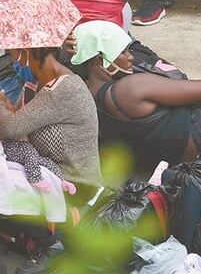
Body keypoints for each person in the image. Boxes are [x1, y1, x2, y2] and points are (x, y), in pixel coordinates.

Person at [0, 45, 102, 274]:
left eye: (14, 54)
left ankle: (55, 243)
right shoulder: (37, 83)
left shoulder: (62, 89)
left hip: (73, 182)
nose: (13, 60)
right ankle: (32, 231)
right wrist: (5, 109)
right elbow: (17, 121)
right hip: (44, 168)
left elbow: (9, 127)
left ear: (28, 53)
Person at [74, 20, 201, 171]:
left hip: (157, 159)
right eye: (122, 52)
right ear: (98, 59)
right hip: (190, 140)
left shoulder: (82, 94)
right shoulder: (129, 88)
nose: (130, 57)